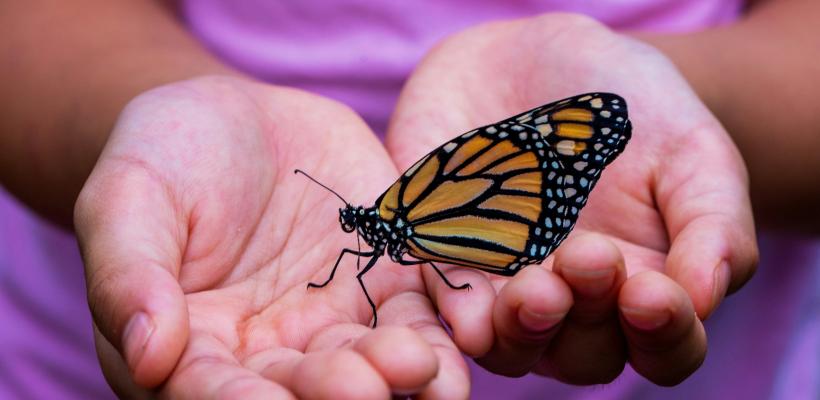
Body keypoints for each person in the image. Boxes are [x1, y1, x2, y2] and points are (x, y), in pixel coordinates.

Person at [0, 0, 817, 398]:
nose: (358, 227)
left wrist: (702, 104)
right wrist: (157, 114)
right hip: (81, 354)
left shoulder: (407, 209)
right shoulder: (396, 220)